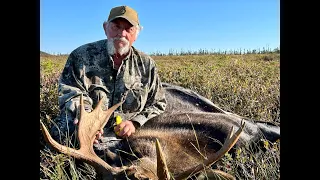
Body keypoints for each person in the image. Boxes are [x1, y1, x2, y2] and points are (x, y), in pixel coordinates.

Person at [50, 5, 167, 151]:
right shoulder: (81, 56)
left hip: (128, 134)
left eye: (129, 29)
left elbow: (158, 103)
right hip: (86, 125)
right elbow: (70, 91)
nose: (122, 33)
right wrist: (87, 118)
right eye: (116, 27)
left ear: (136, 34)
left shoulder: (146, 64)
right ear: (105, 28)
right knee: (64, 128)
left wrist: (134, 123)